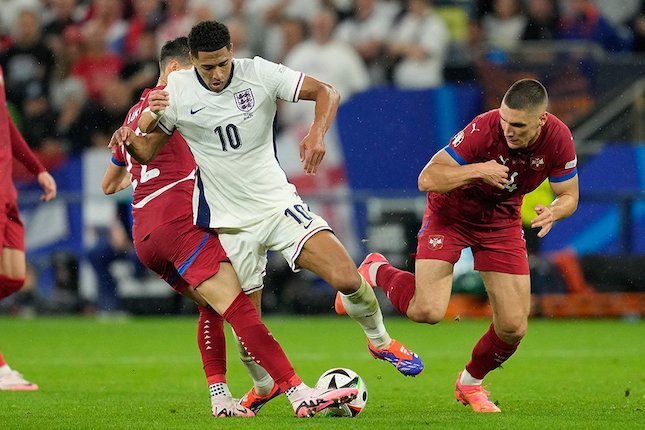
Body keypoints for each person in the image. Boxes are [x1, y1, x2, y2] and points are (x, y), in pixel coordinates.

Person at [111, 19, 422, 398]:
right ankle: (263, 388)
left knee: (344, 276)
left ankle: (379, 340)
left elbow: (327, 92)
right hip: (227, 225)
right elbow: (147, 151)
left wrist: (316, 133)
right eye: (207, 67)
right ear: (192, 61)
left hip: (276, 204)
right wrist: (130, 139)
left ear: (231, 54)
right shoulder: (176, 91)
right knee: (247, 330)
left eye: (223, 63)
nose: (216, 73)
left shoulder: (258, 72)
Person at [339, 79, 579, 412]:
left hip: (501, 220)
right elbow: (427, 178)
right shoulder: (484, 128)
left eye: (518, 125)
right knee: (428, 311)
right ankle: (377, 269)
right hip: (450, 213)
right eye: (505, 121)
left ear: (541, 120)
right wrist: (478, 170)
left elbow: (570, 195)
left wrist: (554, 211)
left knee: (513, 326)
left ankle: (470, 384)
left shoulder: (559, 138)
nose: (508, 130)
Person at [0, 63, 57, 391]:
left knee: (13, 277)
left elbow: (4, 121)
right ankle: (3, 371)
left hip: (7, 189)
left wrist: (36, 168)